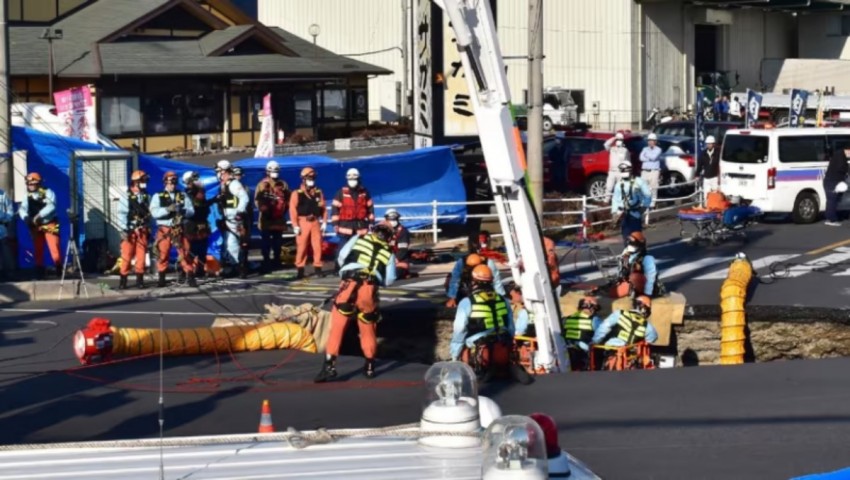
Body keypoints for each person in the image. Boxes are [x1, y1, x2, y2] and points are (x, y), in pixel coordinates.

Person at [314, 223, 397, 383]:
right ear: (389, 237)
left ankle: (329, 367)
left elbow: (342, 256)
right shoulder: (389, 253)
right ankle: (370, 367)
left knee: (337, 328)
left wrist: (344, 272)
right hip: (369, 289)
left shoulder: (359, 239)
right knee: (368, 329)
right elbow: (390, 279)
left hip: (349, 284)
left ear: (374, 231)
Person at [450, 264, 531, 384]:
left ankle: (470, 375)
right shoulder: (503, 300)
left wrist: (454, 356)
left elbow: (459, 330)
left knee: (461, 346)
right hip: (503, 347)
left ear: (474, 282)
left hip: (481, 352)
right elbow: (510, 327)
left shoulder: (467, 302)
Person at [150, 171, 195, 287]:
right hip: (164, 229)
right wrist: (167, 210)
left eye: (174, 181)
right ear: (165, 182)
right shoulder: (157, 196)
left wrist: (184, 211)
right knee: (163, 254)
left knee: (184, 252)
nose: (172, 184)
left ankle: (190, 275)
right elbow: (154, 212)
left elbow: (191, 211)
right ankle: (161, 278)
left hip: (178, 228)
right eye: (170, 182)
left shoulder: (182, 195)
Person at [18, 172, 61, 279]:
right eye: (29, 183)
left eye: (33, 183)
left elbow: (52, 206)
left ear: (39, 183)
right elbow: (22, 209)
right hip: (36, 226)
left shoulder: (48, 193)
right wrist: (26, 217)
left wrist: (39, 215)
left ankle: (59, 271)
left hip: (49, 224)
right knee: (38, 249)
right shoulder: (27, 196)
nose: (31, 185)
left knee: (54, 248)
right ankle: (39, 272)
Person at [289, 166, 327, 279]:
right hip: (302, 222)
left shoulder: (319, 192)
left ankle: (318, 268)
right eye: (309, 178)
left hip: (315, 221)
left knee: (317, 246)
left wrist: (324, 222)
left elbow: (323, 208)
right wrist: (295, 225)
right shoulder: (297, 193)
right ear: (303, 179)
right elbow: (292, 210)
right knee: (302, 247)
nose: (312, 180)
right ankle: (300, 269)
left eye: (313, 177)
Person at [215, 160, 250, 278]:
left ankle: (240, 268)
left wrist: (239, 212)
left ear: (224, 171)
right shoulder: (223, 185)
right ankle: (235, 266)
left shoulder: (234, 184)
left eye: (219, 171)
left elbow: (244, 198)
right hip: (227, 220)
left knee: (234, 244)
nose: (218, 174)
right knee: (229, 244)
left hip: (236, 220)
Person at [117, 170, 152, 289]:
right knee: (126, 255)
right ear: (135, 182)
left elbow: (150, 214)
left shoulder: (147, 196)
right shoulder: (125, 197)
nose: (144, 183)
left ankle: (139, 280)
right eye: (142, 181)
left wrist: (149, 227)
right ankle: (123, 280)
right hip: (130, 230)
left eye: (145, 181)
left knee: (141, 256)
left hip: (142, 230)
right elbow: (121, 214)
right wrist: (123, 229)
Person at [254, 160, 289, 272]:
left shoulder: (283, 185)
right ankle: (266, 261)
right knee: (266, 243)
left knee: (277, 242)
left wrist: (282, 210)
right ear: (267, 171)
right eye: (273, 171)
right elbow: (257, 200)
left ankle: (276, 260)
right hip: (266, 219)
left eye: (276, 171)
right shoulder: (262, 185)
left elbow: (289, 199)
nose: (274, 173)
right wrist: (264, 208)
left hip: (278, 218)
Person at [331, 167, 374, 251]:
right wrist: (335, 224)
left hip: (360, 227)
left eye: (354, 179)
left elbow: (370, 208)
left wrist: (371, 222)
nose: (352, 181)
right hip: (345, 228)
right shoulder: (340, 193)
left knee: (360, 250)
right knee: (343, 251)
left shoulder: (364, 193)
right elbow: (335, 209)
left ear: (358, 178)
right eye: (350, 179)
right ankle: (340, 264)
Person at [592, 295, 658, 348]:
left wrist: (595, 341)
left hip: (610, 347)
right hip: (629, 353)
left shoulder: (619, 314)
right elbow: (652, 338)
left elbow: (604, 327)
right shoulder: (647, 326)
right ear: (646, 309)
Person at [613, 231, 664, 298]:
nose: (630, 244)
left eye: (632, 242)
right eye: (630, 241)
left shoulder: (646, 258)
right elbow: (622, 266)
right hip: (629, 280)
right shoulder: (626, 252)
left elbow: (653, 275)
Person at [611, 162, 652, 246]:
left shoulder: (639, 181)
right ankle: (629, 254)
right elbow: (615, 199)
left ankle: (639, 252)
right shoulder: (619, 185)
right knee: (626, 237)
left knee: (636, 236)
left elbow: (648, 195)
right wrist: (614, 212)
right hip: (623, 214)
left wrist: (644, 207)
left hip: (635, 213)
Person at [182, 170, 211, 280]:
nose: (197, 181)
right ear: (188, 182)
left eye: (197, 178)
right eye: (194, 179)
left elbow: (204, 206)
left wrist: (213, 200)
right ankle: (187, 271)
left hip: (202, 223)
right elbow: (194, 207)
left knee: (202, 249)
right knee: (190, 249)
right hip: (191, 224)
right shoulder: (187, 194)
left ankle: (201, 270)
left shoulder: (201, 192)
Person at [562, 296, 602, 371]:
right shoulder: (595, 319)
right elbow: (603, 333)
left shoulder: (567, 318)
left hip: (567, 349)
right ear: (593, 308)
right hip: (585, 352)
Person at [232, 166, 252, 278]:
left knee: (244, 244)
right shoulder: (227, 188)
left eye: (239, 175)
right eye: (235, 175)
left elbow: (248, 207)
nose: (237, 177)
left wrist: (248, 220)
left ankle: (243, 267)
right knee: (232, 244)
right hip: (231, 220)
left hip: (243, 220)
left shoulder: (246, 189)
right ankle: (235, 265)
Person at [823, 142, 850, 226]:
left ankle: (831, 217)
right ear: (848, 150)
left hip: (831, 181)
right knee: (832, 200)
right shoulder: (840, 157)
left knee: (833, 200)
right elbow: (841, 168)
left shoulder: (839, 155)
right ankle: (831, 220)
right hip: (832, 181)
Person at [384, 209, 414, 279]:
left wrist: (394, 260)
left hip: (399, 260)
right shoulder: (382, 230)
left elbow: (403, 249)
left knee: (393, 275)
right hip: (384, 258)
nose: (392, 221)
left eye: (394, 219)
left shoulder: (403, 231)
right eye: (390, 219)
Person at [604, 132, 631, 203]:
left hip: (620, 172)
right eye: (617, 140)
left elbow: (628, 161)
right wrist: (614, 138)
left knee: (620, 188)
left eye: (620, 140)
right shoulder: (612, 149)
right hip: (612, 171)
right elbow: (606, 144)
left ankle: (620, 203)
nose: (618, 141)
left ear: (622, 141)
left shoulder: (625, 150)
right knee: (609, 187)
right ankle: (606, 201)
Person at [639, 133, 663, 208]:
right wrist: (647, 157)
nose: (650, 142)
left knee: (653, 187)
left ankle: (653, 203)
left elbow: (654, 157)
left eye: (652, 140)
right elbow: (641, 158)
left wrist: (646, 156)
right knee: (643, 187)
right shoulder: (644, 149)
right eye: (649, 140)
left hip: (654, 171)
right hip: (645, 171)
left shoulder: (658, 149)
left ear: (655, 141)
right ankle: (644, 201)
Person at [696, 135, 720, 204]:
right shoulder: (703, 154)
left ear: (713, 144)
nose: (709, 145)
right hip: (706, 177)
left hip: (715, 177)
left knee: (715, 194)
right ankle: (707, 207)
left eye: (710, 144)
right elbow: (699, 165)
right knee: (706, 194)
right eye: (707, 144)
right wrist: (697, 174)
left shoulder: (717, 153)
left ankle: (715, 207)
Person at [0, 186, 15, 280]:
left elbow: (10, 212)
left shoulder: (3, 194)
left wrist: (4, 219)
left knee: (5, 254)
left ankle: (8, 275)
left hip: (2, 230)